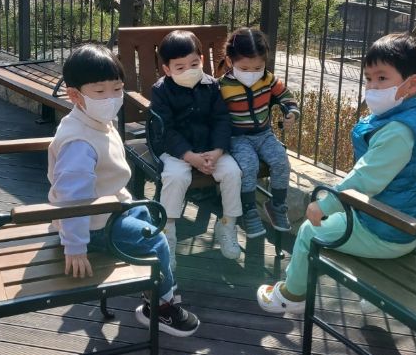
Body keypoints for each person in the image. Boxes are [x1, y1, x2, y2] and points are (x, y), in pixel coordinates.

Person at [256, 32, 416, 315]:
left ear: (411, 84)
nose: (372, 87)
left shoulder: (397, 132)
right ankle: (375, 294)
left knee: (310, 232)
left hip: (386, 232)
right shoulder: (412, 120)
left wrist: (325, 204)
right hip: (407, 224)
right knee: (337, 221)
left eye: (382, 78)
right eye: (368, 79)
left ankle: (292, 295)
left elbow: (364, 179)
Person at [48, 42, 200, 337]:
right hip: (92, 226)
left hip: (109, 208)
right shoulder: (79, 142)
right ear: (75, 95)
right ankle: (161, 306)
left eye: (117, 89)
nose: (111, 98)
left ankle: (157, 285)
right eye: (100, 91)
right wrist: (75, 246)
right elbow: (72, 198)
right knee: (156, 242)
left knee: (147, 217)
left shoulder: (92, 120)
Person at [150, 29, 243, 267]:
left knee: (233, 173)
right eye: (180, 67)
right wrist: (189, 156)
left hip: (210, 149)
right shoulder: (161, 91)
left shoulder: (212, 86)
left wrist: (218, 150)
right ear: (167, 69)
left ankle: (227, 225)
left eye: (194, 64)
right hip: (175, 150)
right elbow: (166, 130)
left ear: (201, 60)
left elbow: (221, 119)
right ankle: (167, 234)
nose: (189, 71)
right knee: (175, 177)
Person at [219, 27, 299, 238]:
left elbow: (286, 96)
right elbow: (215, 116)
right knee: (249, 166)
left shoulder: (268, 79)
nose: (251, 74)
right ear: (230, 61)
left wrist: (291, 112)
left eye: (257, 67)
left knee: (281, 161)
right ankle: (249, 210)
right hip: (238, 138)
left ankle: (277, 205)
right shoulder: (222, 86)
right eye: (244, 68)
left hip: (264, 135)